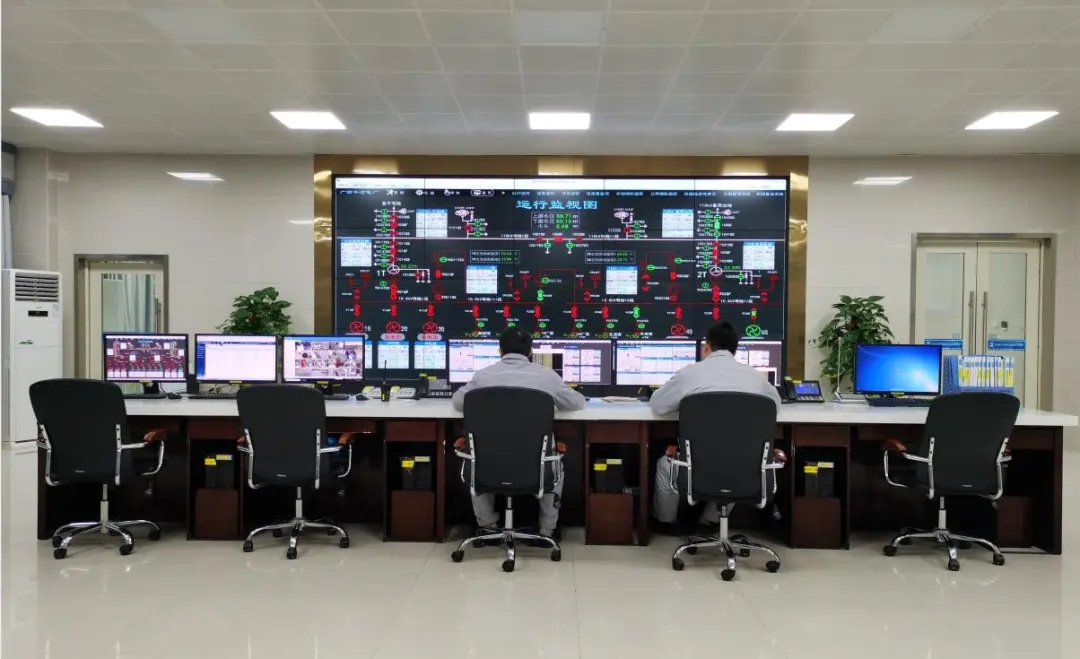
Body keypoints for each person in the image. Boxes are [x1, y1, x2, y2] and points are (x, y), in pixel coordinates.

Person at [452, 327, 586, 540]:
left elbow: (458, 402)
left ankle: (487, 527)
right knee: (553, 462)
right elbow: (577, 403)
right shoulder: (547, 377)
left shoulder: (482, 376)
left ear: (500, 351)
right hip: (534, 466)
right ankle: (547, 532)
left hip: (489, 464)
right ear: (530, 352)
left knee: (475, 457)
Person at [649, 321, 782, 530]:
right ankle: (710, 521)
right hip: (746, 470)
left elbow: (658, 405)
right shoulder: (756, 377)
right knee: (737, 462)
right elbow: (775, 406)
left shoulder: (690, 374)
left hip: (697, 468)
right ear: (734, 351)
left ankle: (666, 523)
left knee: (665, 465)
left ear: (707, 348)